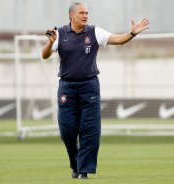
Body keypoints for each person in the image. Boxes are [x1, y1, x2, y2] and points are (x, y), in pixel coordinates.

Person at [42, 2, 149, 179]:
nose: (85, 16)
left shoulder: (95, 32)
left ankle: (83, 171)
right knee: (67, 131)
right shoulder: (59, 34)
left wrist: (132, 33)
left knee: (90, 130)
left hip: (89, 87)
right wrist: (50, 42)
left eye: (87, 13)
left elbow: (119, 40)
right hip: (67, 88)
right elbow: (44, 55)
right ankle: (75, 164)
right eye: (82, 13)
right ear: (71, 15)